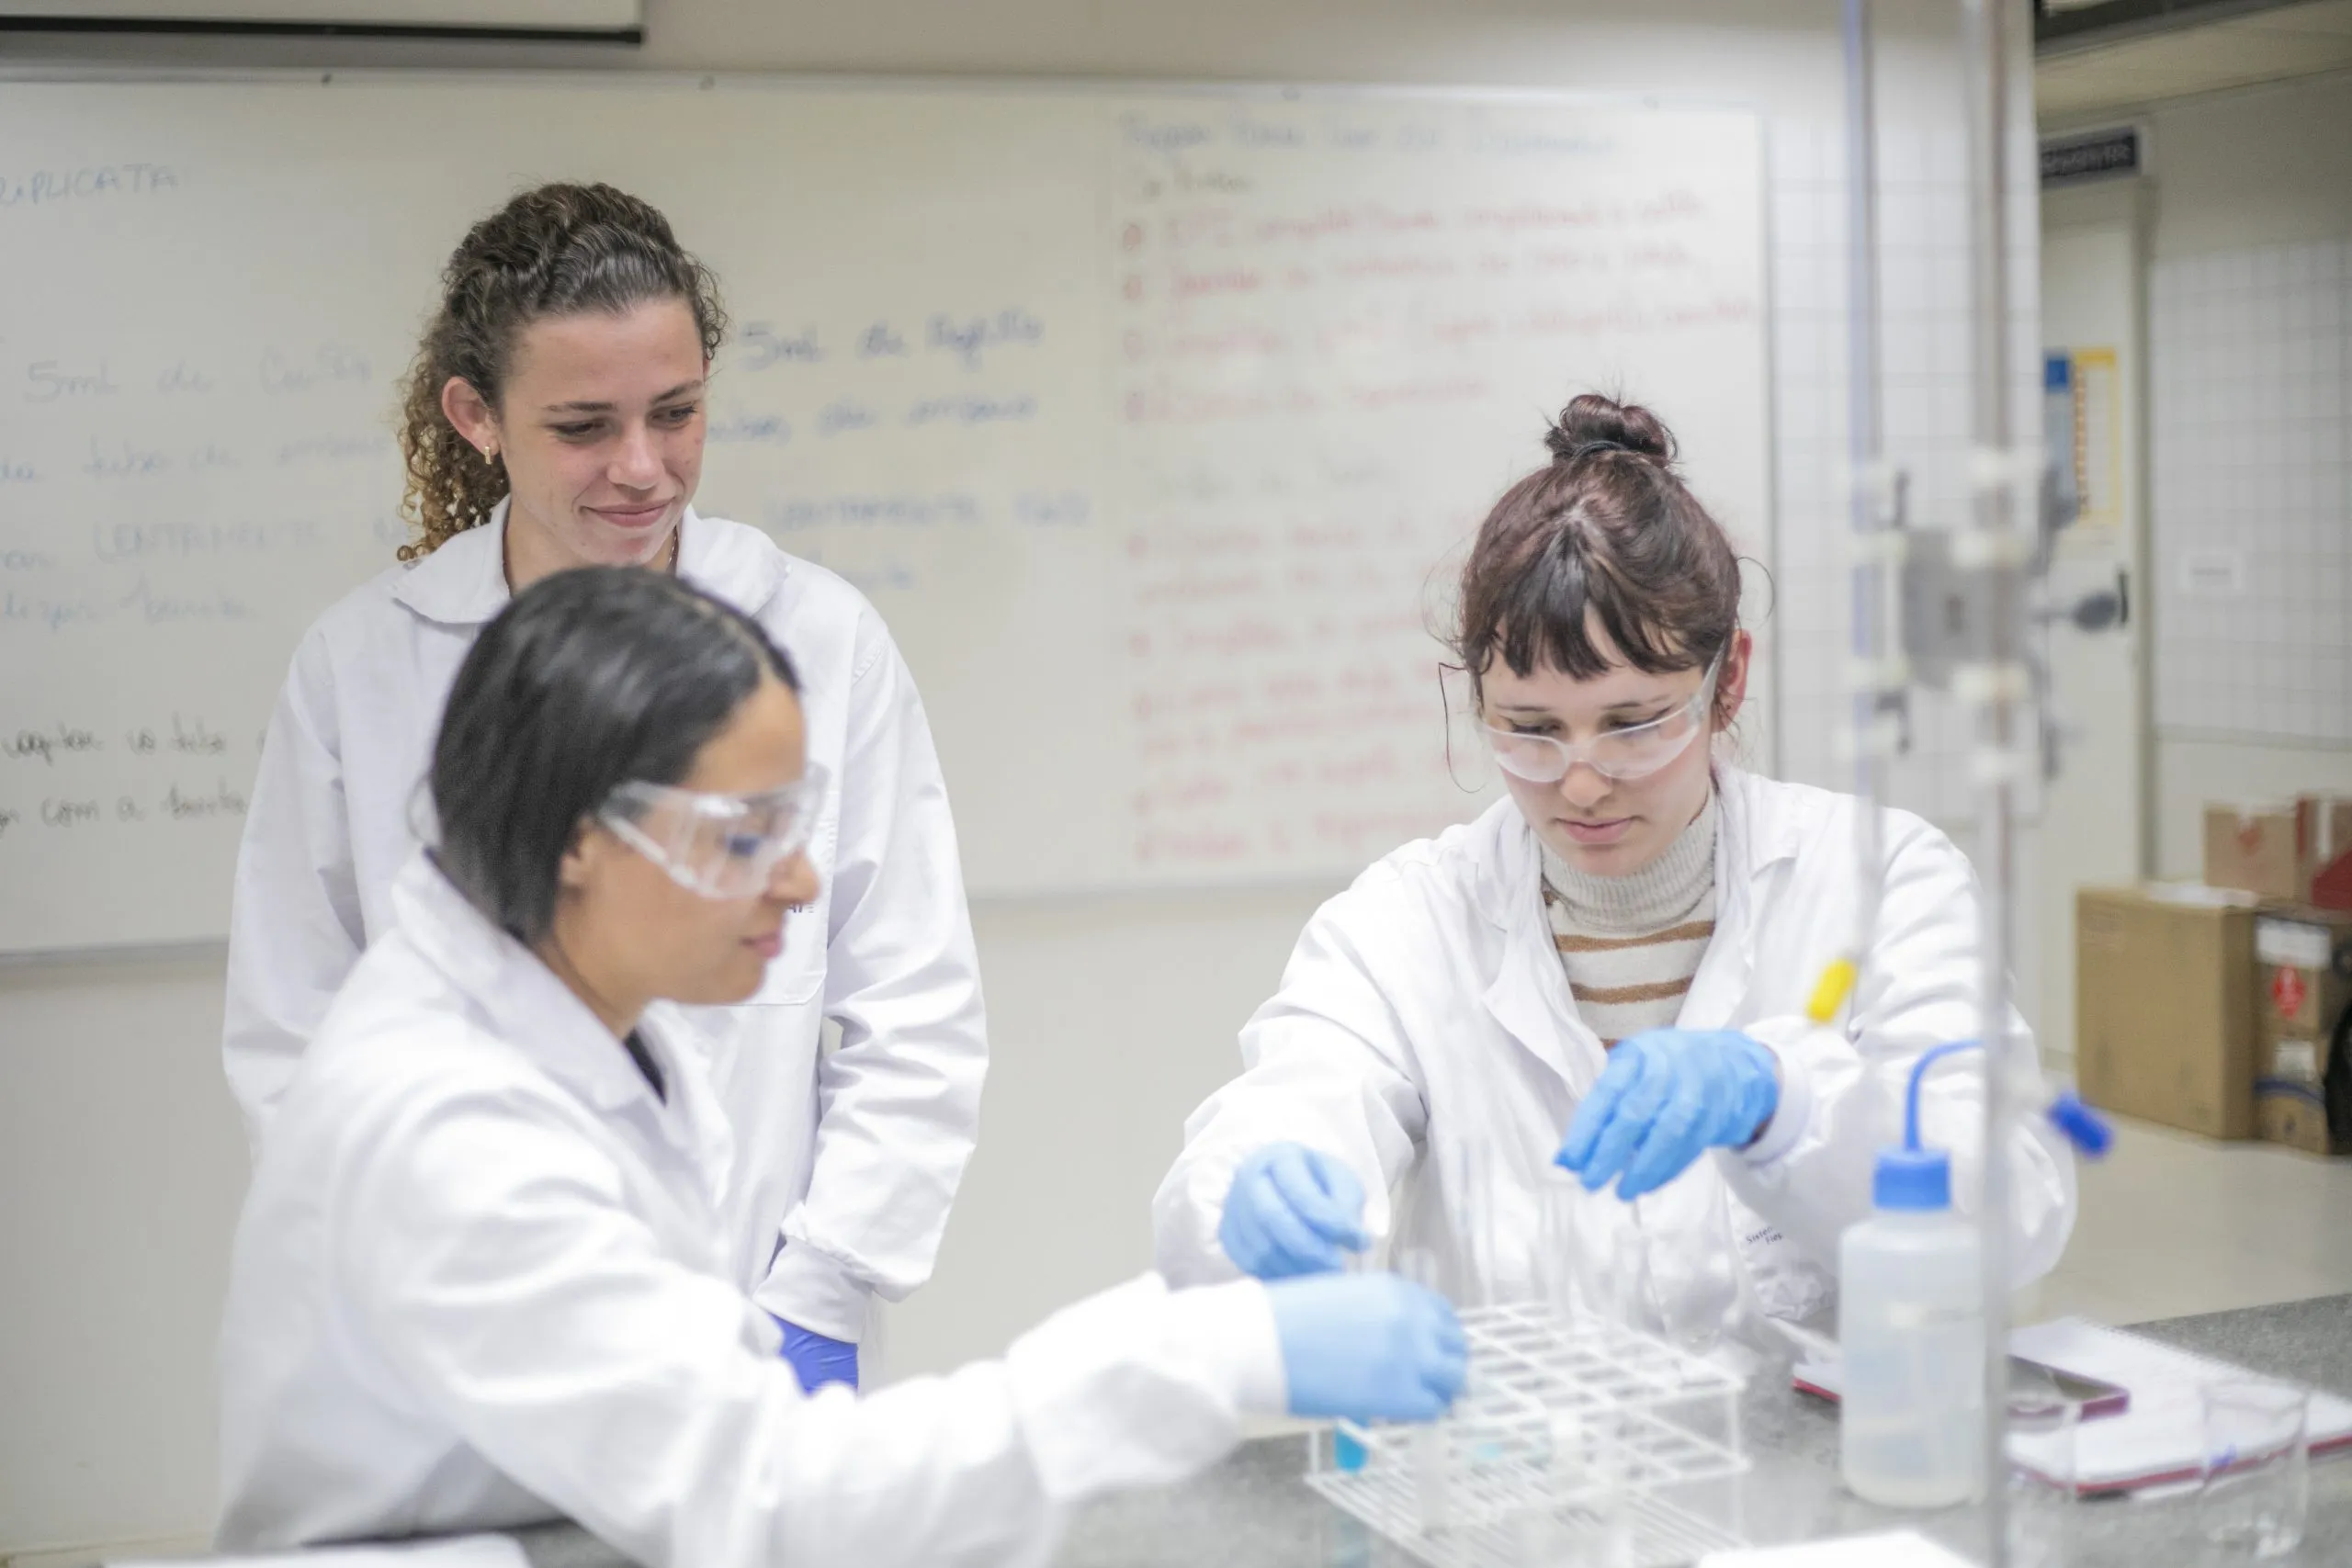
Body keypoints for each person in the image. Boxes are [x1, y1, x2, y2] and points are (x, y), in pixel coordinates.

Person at [215, 568, 1467, 1563]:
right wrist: (1212, 1351)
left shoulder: (556, 1002)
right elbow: (774, 1508)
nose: (802, 879)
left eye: (796, 820)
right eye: (749, 833)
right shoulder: (454, 1133)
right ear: (583, 838)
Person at [221, 183, 983, 1393]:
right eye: (584, 425)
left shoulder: (820, 640)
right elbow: (292, 1034)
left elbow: (917, 1005)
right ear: (477, 414)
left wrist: (823, 1289)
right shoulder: (366, 665)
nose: (642, 468)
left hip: (758, 1315)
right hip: (457, 1324)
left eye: (675, 412)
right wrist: (408, 1283)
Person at [1151, 395, 2077, 1344]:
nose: (1583, 783)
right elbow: (1291, 1107)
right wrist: (1258, 1192)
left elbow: (2014, 1213)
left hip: (1815, 1472)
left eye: (1634, 724)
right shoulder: (1405, 924)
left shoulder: (1880, 882)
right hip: (1512, 1475)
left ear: (1731, 682)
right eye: (1531, 731)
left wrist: (1789, 1106)